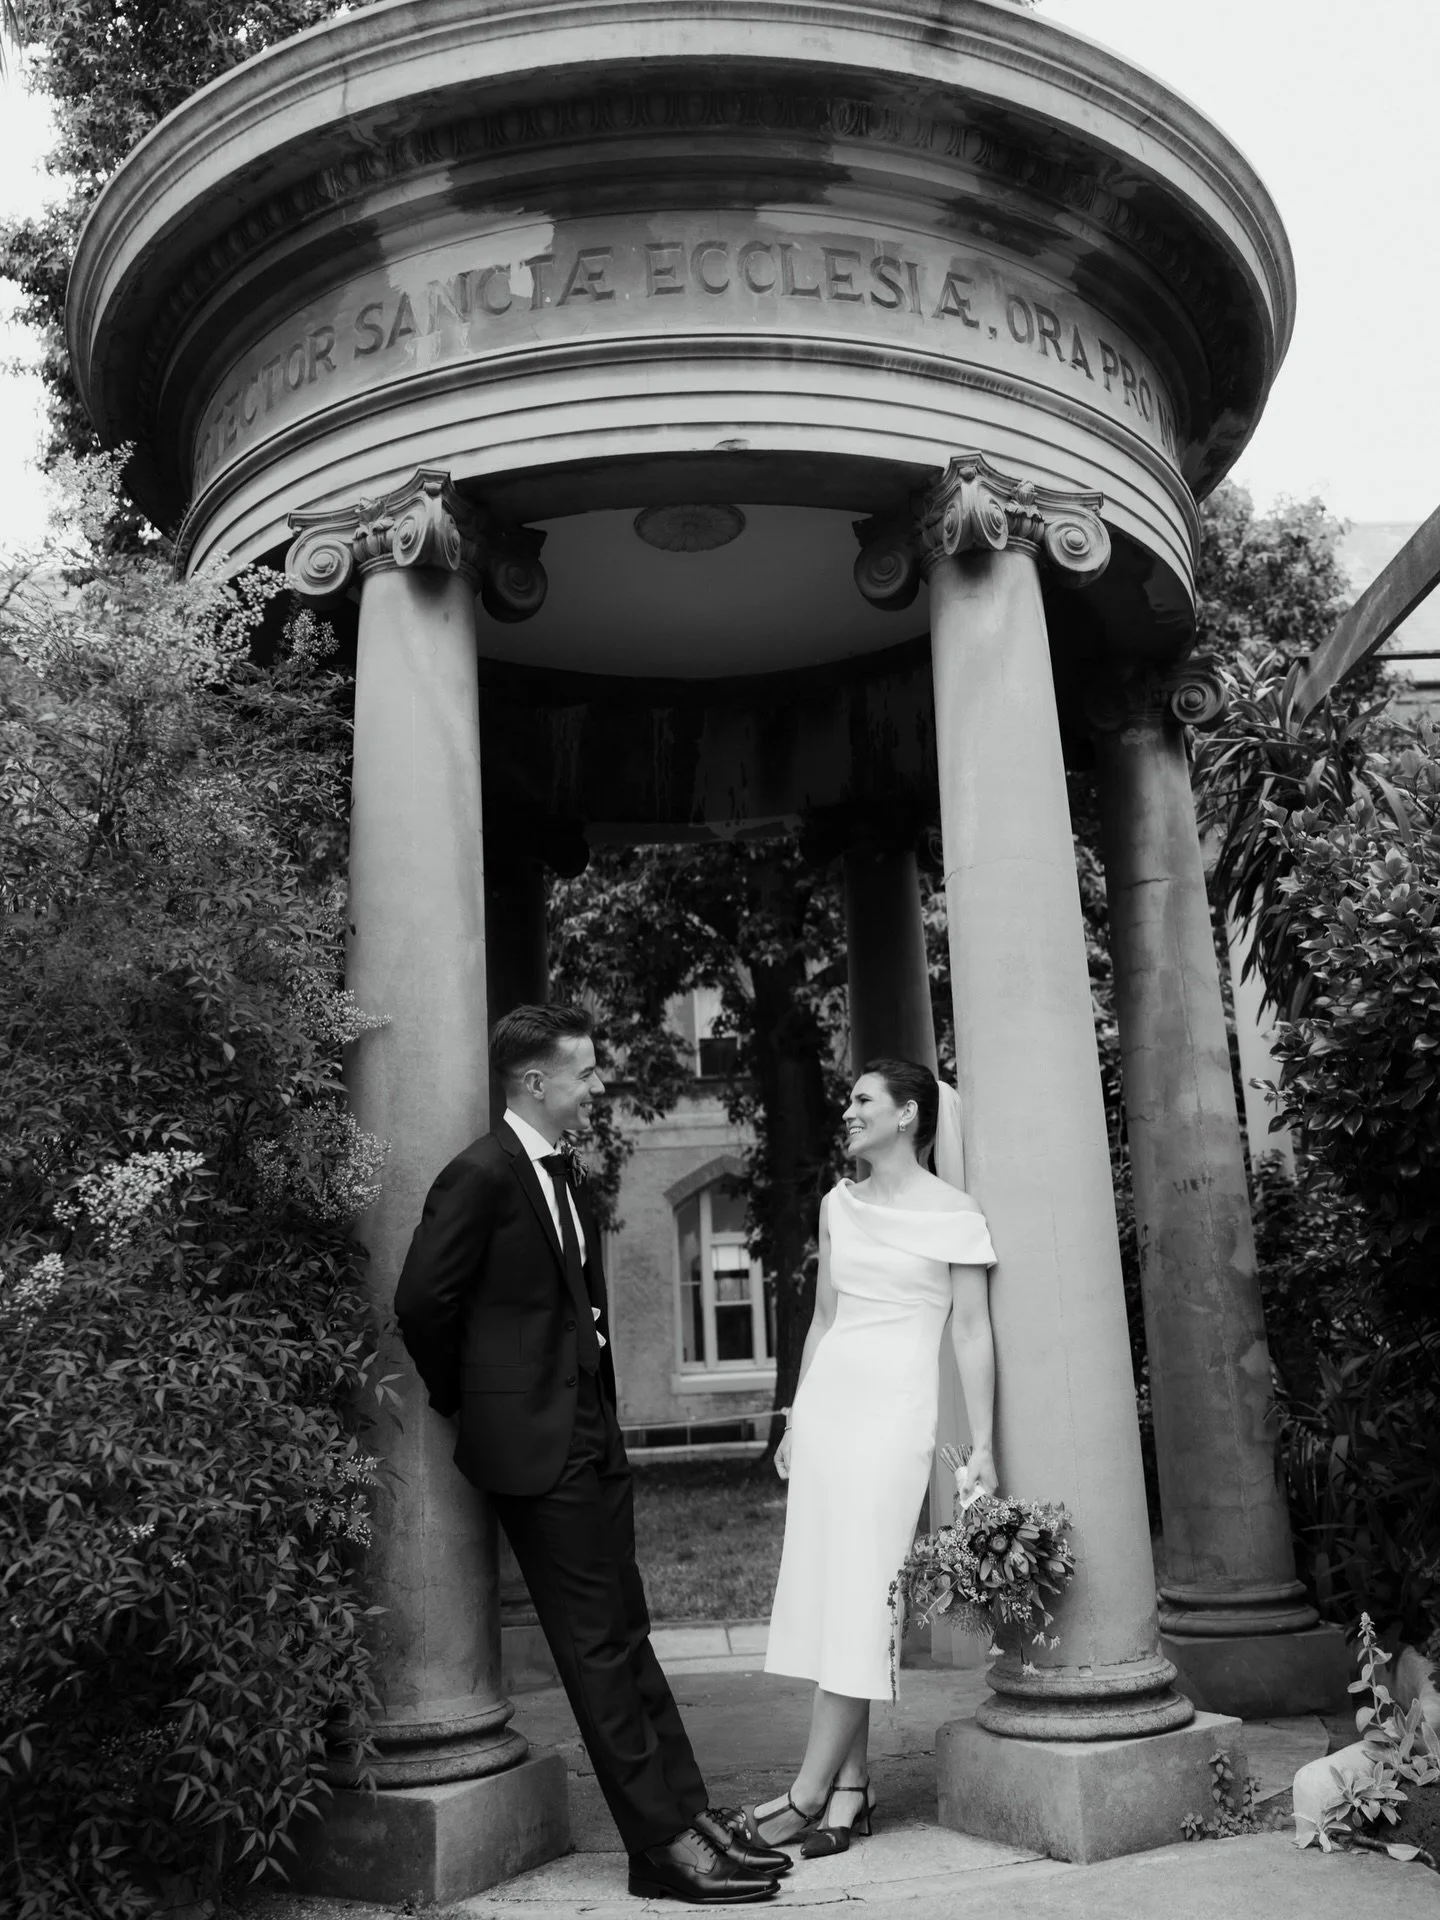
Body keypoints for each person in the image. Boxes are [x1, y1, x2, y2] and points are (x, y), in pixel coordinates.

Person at [393, 1003, 789, 1905]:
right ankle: (657, 1849)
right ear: (537, 1082)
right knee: (595, 1652)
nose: (599, 1082)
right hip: (536, 1448)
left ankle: (688, 1817)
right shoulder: (480, 1176)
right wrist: (477, 1402)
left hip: (593, 1439)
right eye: (587, 1070)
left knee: (629, 1636)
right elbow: (421, 1304)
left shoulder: (561, 1174)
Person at [740, 1058, 997, 1857]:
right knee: (832, 1593)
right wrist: (794, 1418)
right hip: (830, 1412)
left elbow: (969, 1331)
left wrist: (982, 1444)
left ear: (908, 1115)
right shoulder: (836, 1206)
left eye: (862, 1101)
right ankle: (850, 1791)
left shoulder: (956, 1213)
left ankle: (804, 1793)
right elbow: (823, 1318)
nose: (846, 1113)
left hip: (897, 1416)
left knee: (865, 1594)